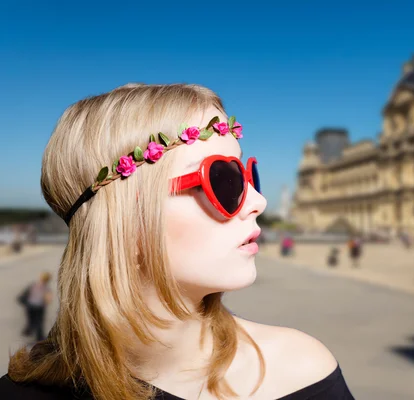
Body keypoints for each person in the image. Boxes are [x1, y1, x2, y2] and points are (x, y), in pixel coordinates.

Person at [0, 84, 354, 400]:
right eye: (224, 179)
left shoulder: (303, 369)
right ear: (125, 218)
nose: (258, 201)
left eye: (250, 176)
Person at [19, 272, 53, 342]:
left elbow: (26, 293)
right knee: (39, 322)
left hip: (30, 306)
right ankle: (39, 337)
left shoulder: (33, 285)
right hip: (39, 307)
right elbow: (48, 299)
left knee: (31, 319)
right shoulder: (46, 288)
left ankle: (28, 331)